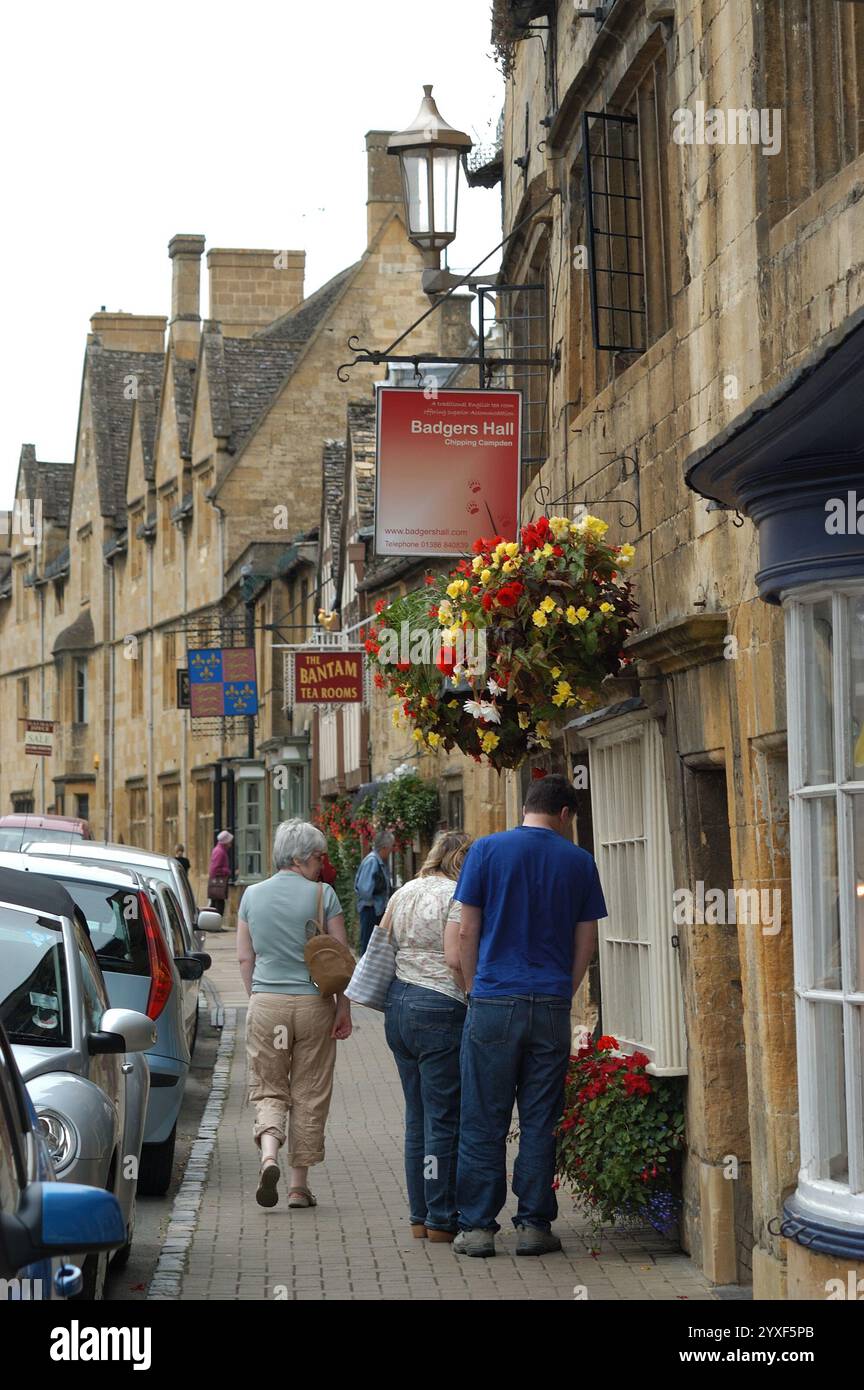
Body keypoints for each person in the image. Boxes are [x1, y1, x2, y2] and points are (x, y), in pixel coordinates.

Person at [448, 773, 606, 1258]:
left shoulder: (486, 851)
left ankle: (478, 1227)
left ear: (526, 807)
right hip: (550, 1004)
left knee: (483, 1117)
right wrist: (564, 990)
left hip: (494, 1000)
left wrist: (473, 987)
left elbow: (466, 931)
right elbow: (586, 940)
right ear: (565, 814)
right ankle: (534, 1224)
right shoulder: (579, 861)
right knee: (541, 1118)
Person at [237, 819, 352, 1210]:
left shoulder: (251, 895)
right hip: (314, 1005)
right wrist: (343, 1009)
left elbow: (244, 957)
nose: (322, 865)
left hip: (267, 1003)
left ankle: (268, 1154)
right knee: (310, 1091)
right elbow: (340, 959)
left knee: (269, 1087)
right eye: (319, 857)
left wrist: (257, 995)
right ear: (301, 858)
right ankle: (298, 1187)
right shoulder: (323, 895)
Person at [382, 830, 473, 1242]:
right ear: (461, 859)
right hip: (439, 1004)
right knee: (442, 1117)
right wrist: (471, 993)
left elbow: (382, 941)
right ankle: (441, 1216)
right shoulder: (457, 895)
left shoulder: (404, 891)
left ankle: (419, 1215)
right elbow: (456, 958)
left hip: (398, 1003)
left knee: (416, 1117)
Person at [354, 829, 394, 955]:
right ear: (384, 847)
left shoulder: (377, 861)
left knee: (373, 946)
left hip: (375, 909)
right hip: (370, 910)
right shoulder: (372, 861)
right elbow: (364, 890)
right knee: (368, 947)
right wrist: (377, 895)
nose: (391, 851)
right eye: (390, 848)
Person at [208, 829, 233, 917]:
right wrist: (227, 871)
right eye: (229, 842)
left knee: (216, 905)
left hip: (217, 884)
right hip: (218, 884)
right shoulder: (220, 852)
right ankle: (215, 923)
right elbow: (214, 869)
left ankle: (213, 922)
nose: (230, 844)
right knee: (218, 906)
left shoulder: (219, 850)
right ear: (225, 842)